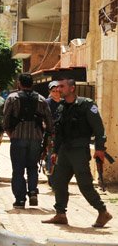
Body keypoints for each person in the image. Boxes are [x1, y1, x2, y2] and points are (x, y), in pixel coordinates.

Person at [45, 77, 113, 228]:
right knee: (58, 181)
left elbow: (99, 128)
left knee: (84, 184)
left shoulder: (86, 105)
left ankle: (103, 211)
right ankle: (60, 214)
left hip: (79, 150)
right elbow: (59, 131)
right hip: (64, 150)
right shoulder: (62, 106)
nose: (59, 89)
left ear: (72, 88)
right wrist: (55, 151)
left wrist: (100, 148)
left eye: (62, 86)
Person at [3, 74, 52, 209]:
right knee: (32, 167)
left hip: (18, 137)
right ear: (32, 83)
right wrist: (46, 138)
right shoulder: (42, 99)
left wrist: (10, 133)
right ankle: (32, 192)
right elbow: (49, 121)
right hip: (36, 139)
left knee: (18, 169)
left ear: (19, 83)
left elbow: (6, 118)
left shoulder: (12, 98)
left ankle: (20, 199)